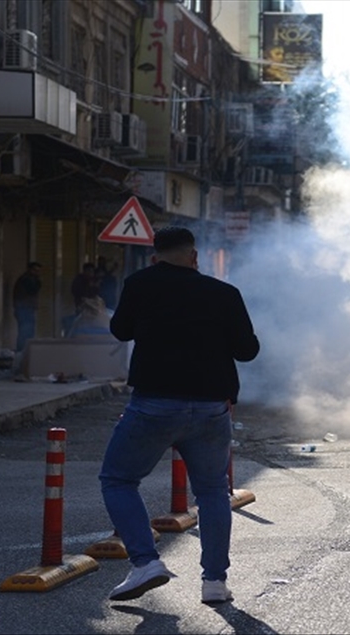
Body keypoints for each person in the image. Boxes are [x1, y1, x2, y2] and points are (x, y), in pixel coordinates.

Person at [99, 227, 259, 604]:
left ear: (155, 257)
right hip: (210, 407)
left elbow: (120, 331)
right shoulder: (224, 293)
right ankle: (214, 583)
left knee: (118, 479)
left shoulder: (140, 283)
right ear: (195, 256)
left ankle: (145, 562)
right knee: (212, 491)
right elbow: (247, 351)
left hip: (154, 404)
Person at [12, 262, 43, 352]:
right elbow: (33, 290)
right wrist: (38, 281)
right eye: (35, 270)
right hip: (25, 309)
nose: (37, 273)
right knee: (26, 332)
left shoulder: (26, 279)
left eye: (38, 271)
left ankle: (24, 351)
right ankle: (23, 351)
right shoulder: (27, 280)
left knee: (27, 331)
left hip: (25, 308)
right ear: (30, 270)